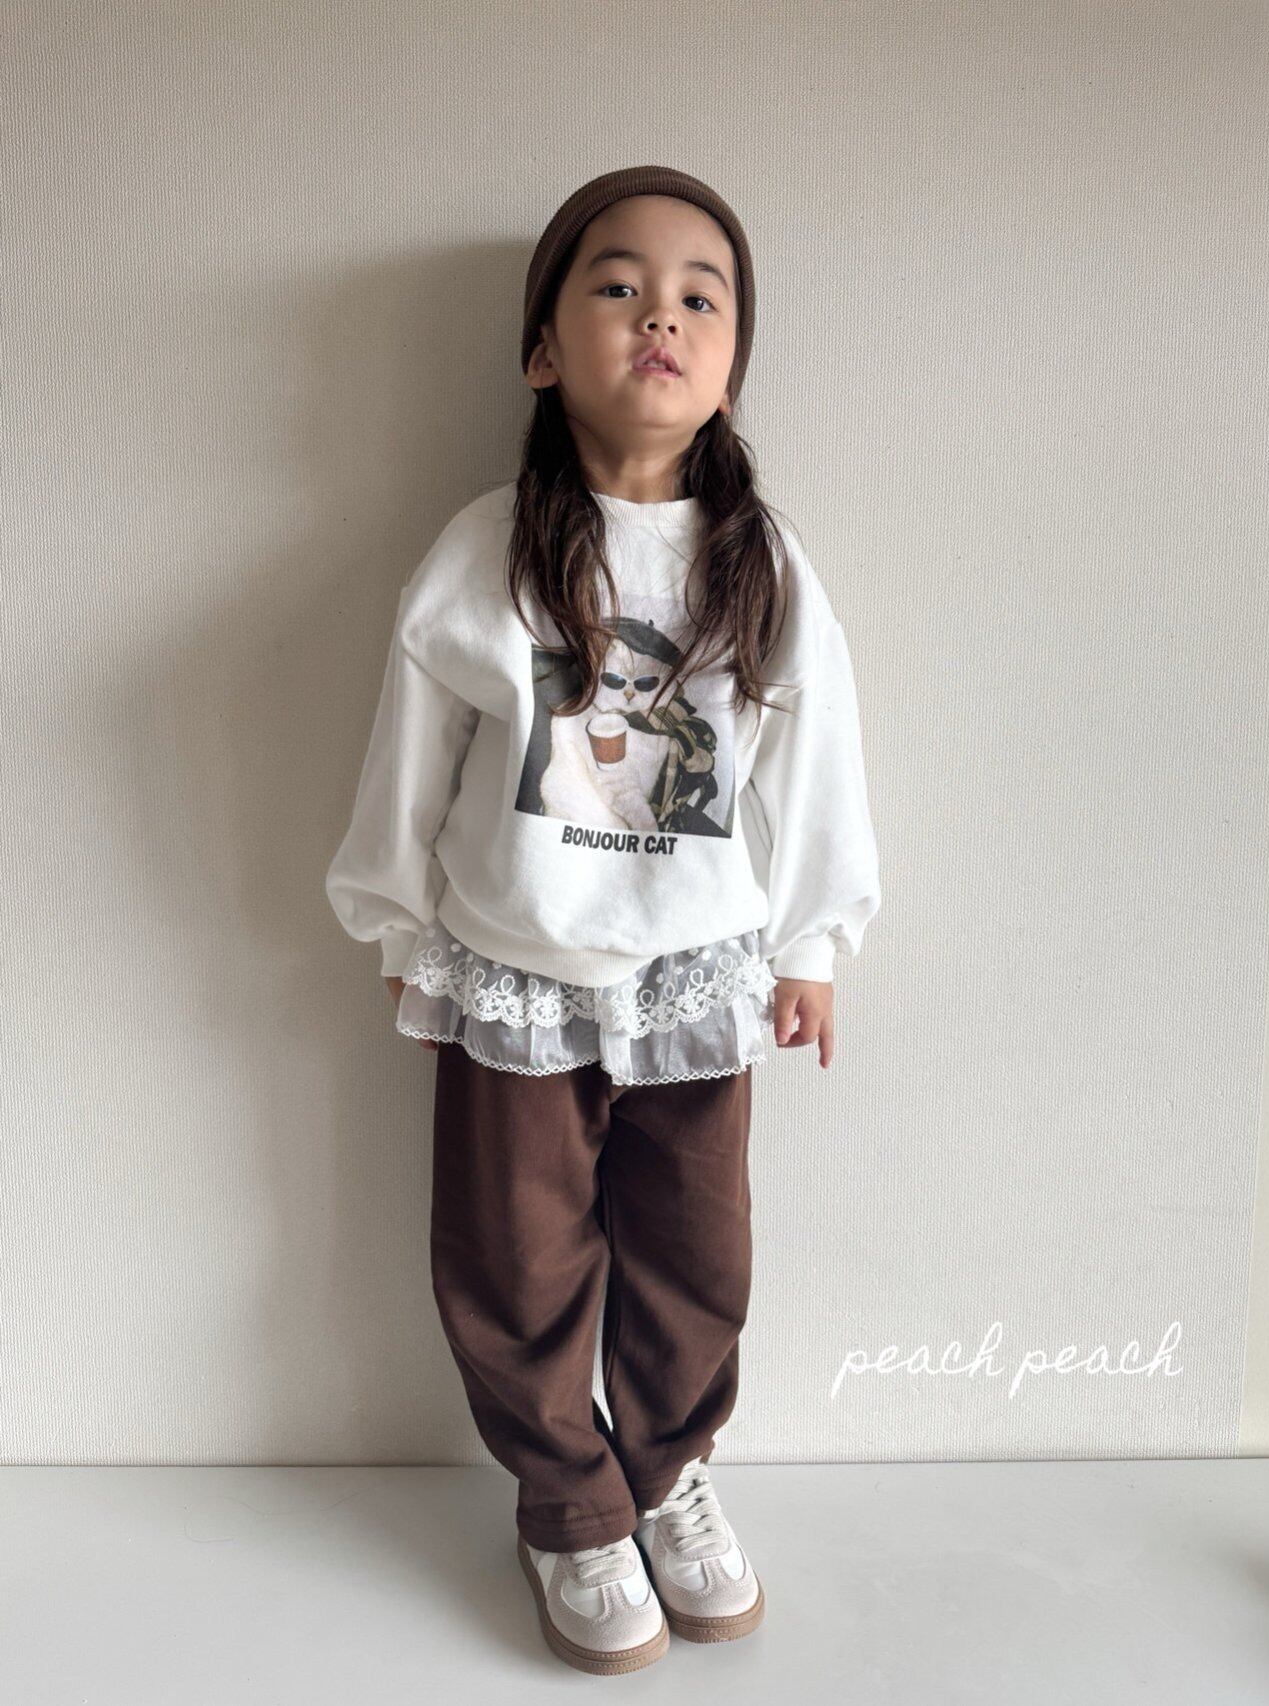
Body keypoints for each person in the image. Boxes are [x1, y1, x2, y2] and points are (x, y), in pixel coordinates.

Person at [325, 164, 881, 1675]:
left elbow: (817, 762)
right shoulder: (484, 549)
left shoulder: (760, 564)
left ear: (732, 365)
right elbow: (411, 756)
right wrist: (401, 935)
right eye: (618, 286)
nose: (660, 317)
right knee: (513, 1254)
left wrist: (812, 944)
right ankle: (570, 1503)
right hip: (514, 967)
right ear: (542, 349)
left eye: (701, 296)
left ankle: (668, 1469)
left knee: (700, 1250)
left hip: (698, 973)